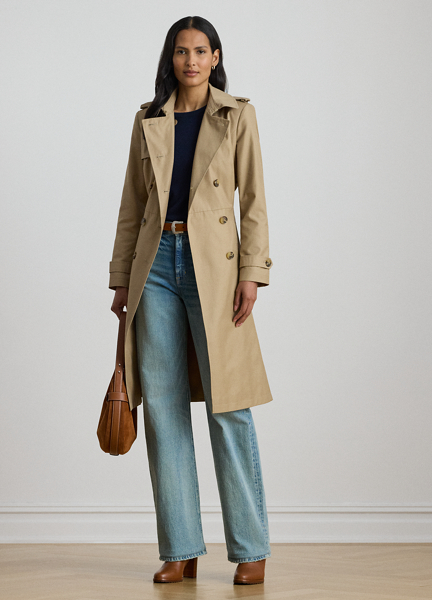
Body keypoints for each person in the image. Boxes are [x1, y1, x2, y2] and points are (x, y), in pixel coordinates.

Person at [109, 15, 274, 585]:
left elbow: (253, 201)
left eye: (201, 51)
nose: (191, 61)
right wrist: (122, 278)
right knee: (163, 408)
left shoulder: (237, 115)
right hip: (155, 264)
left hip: (216, 269)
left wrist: (252, 272)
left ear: (215, 57)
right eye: (182, 52)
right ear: (171, 58)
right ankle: (180, 547)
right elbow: (132, 205)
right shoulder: (148, 119)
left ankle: (250, 547)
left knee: (229, 406)